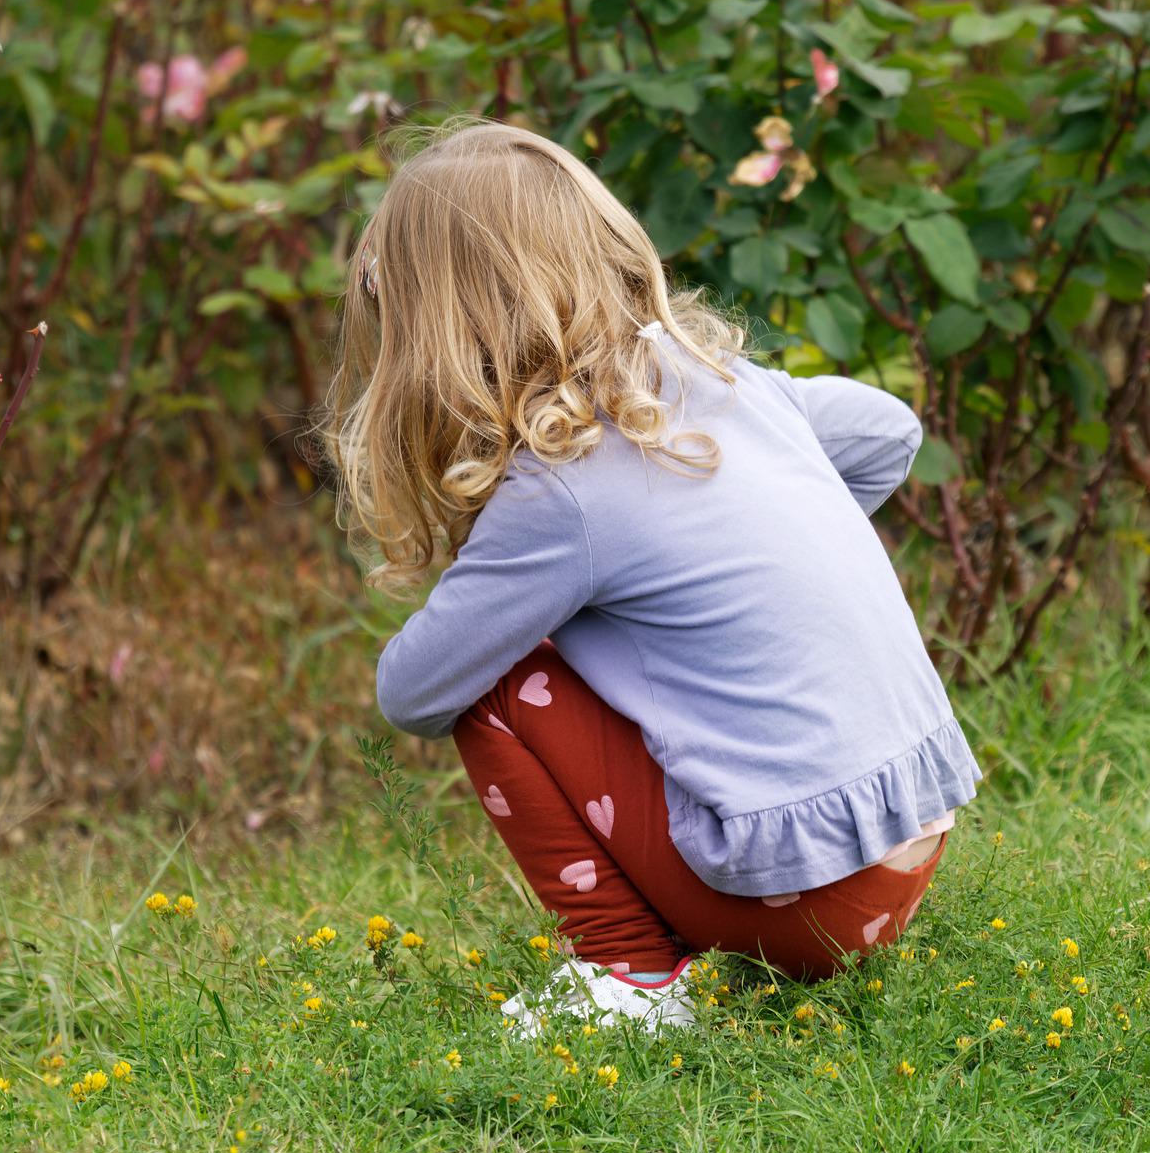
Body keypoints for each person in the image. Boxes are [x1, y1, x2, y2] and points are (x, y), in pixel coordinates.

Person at [323, 118, 980, 1035]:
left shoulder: (562, 488)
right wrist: (749, 558)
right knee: (526, 642)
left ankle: (626, 973)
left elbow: (414, 690)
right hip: (904, 848)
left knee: (497, 674)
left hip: (802, 909)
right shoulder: (729, 388)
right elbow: (890, 433)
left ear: (436, 326)